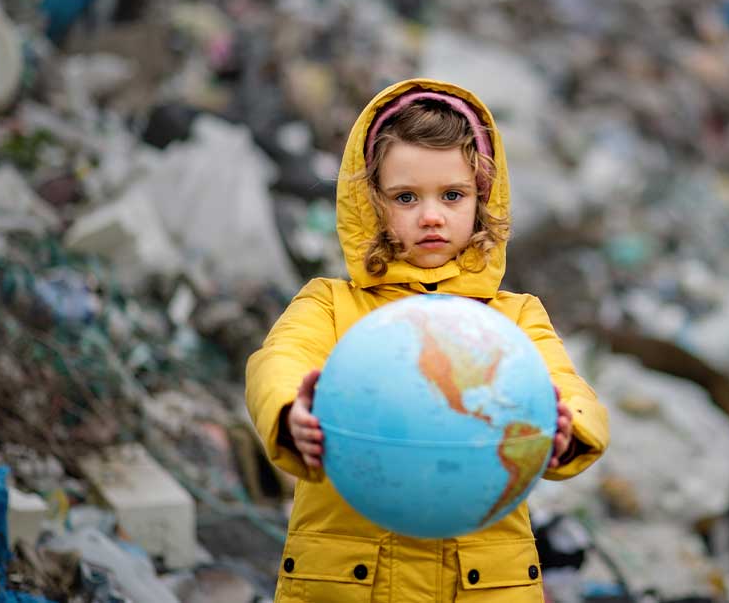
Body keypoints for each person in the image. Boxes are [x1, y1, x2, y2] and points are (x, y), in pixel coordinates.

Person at [245, 78, 609, 602]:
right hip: (346, 584)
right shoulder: (330, 303)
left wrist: (565, 428)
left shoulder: (515, 317)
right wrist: (289, 411)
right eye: (406, 197)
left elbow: (569, 388)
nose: (431, 215)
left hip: (482, 587)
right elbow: (277, 360)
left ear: (482, 199)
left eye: (453, 195)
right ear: (372, 202)